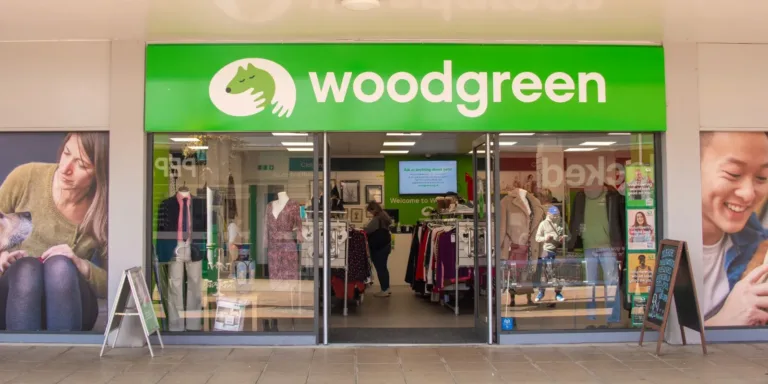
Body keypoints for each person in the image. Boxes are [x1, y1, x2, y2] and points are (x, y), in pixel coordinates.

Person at [0, 132, 108, 331]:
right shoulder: (26, 177)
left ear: (98, 173)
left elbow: (112, 283)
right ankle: (24, 355)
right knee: (26, 269)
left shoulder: (103, 208)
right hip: (13, 295)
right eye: (66, 154)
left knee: (60, 266)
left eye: (82, 165)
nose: (65, 169)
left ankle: (64, 355)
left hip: (70, 299)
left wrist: (79, 264)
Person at [699, 132, 768, 326]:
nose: (748, 193)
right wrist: (722, 323)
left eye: (762, 178)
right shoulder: (646, 247)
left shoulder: (760, 248)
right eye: (733, 174)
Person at [534, 206, 567, 303]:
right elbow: (537, 238)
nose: (556, 217)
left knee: (558, 274)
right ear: (549, 214)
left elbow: (569, 235)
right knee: (545, 273)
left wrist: (564, 238)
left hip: (559, 251)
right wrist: (545, 238)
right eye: (554, 215)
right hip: (547, 251)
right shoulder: (543, 224)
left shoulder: (561, 223)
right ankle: (541, 292)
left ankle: (558, 293)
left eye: (557, 215)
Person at [365, 201, 392, 297]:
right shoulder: (384, 217)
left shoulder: (377, 219)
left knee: (380, 268)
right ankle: (386, 288)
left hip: (378, 248)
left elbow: (367, 230)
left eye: (370, 211)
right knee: (384, 268)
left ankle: (384, 290)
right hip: (385, 246)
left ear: (373, 209)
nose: (370, 213)